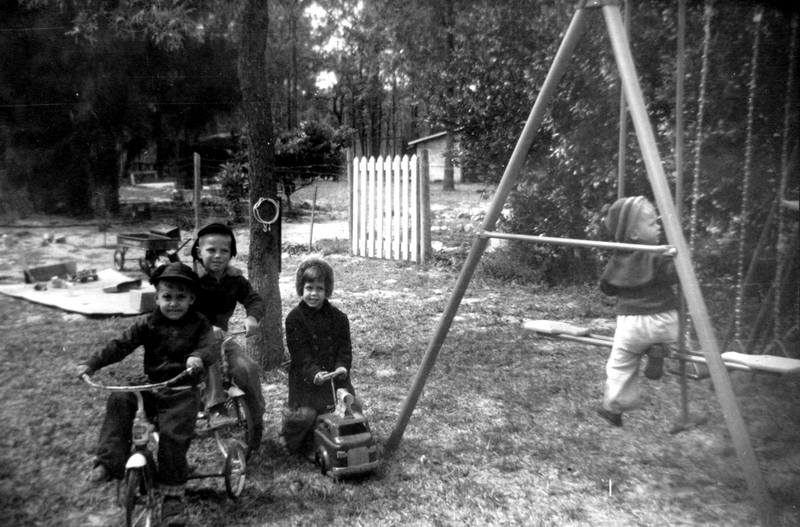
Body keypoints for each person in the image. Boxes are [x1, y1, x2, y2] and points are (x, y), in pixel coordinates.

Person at [77, 262, 216, 523]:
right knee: (120, 398)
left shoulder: (199, 323)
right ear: (157, 297)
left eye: (181, 298)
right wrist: (92, 363)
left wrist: (198, 356)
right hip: (152, 387)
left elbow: (210, 348)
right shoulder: (149, 322)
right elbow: (121, 344)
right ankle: (108, 461)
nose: (173, 304)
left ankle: (173, 495)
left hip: (182, 390)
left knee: (173, 436)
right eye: (167, 297)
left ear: (192, 299)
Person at [596, 196, 679, 427]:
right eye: (652, 223)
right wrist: (676, 256)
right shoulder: (658, 254)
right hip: (666, 320)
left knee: (620, 364)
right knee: (680, 343)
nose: (659, 226)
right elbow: (675, 275)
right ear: (633, 234)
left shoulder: (618, 259)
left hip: (632, 325)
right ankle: (663, 348)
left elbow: (607, 288)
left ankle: (613, 408)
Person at [191, 222, 266, 448]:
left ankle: (256, 415)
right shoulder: (190, 278)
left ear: (232, 253)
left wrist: (252, 317)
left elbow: (254, 299)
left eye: (224, 251)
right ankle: (215, 407)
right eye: (211, 250)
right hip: (192, 340)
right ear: (198, 252)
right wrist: (204, 326)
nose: (218, 256)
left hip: (222, 338)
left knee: (247, 367)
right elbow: (182, 308)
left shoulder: (235, 279)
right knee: (210, 358)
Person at [280, 257, 358, 457]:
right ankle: (290, 433)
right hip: (307, 381)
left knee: (353, 408)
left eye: (320, 289)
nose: (314, 294)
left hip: (334, 379)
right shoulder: (295, 319)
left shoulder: (339, 318)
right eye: (309, 288)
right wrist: (313, 373)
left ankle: (347, 446)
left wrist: (342, 367)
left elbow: (344, 348)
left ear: (327, 290)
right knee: (305, 416)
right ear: (301, 288)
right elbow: (300, 354)